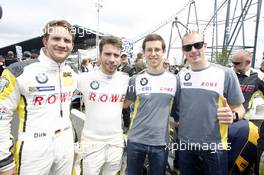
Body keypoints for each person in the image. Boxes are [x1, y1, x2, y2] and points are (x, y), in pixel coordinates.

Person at [0, 19, 77, 175]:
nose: (62, 44)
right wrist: (4, 161)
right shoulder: (18, 71)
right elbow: (2, 116)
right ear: (45, 40)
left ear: (72, 46)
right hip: (33, 148)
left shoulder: (73, 72)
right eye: (56, 38)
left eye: (67, 40)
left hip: (65, 145)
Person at [171, 31, 245, 175]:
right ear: (183, 51)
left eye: (197, 45)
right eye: (187, 47)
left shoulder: (225, 74)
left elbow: (240, 108)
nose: (193, 50)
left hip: (215, 146)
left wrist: (233, 115)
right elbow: (177, 107)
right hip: (186, 145)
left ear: (205, 46)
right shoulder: (180, 76)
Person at [124, 34, 177, 175]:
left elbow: (180, 110)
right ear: (144, 52)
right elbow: (123, 105)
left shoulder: (174, 80)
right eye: (149, 50)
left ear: (163, 52)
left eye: (157, 50)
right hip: (135, 141)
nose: (153, 54)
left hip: (160, 143)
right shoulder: (135, 79)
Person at [77, 36, 129, 175]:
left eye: (116, 55)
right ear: (99, 55)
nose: (112, 59)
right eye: (107, 54)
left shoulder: (126, 79)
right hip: (91, 144)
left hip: (116, 143)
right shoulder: (83, 78)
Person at [231, 50, 264, 122]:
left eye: (237, 63)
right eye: (232, 62)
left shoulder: (258, 78)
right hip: (225, 118)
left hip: (244, 120)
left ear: (247, 62)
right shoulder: (228, 74)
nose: (233, 65)